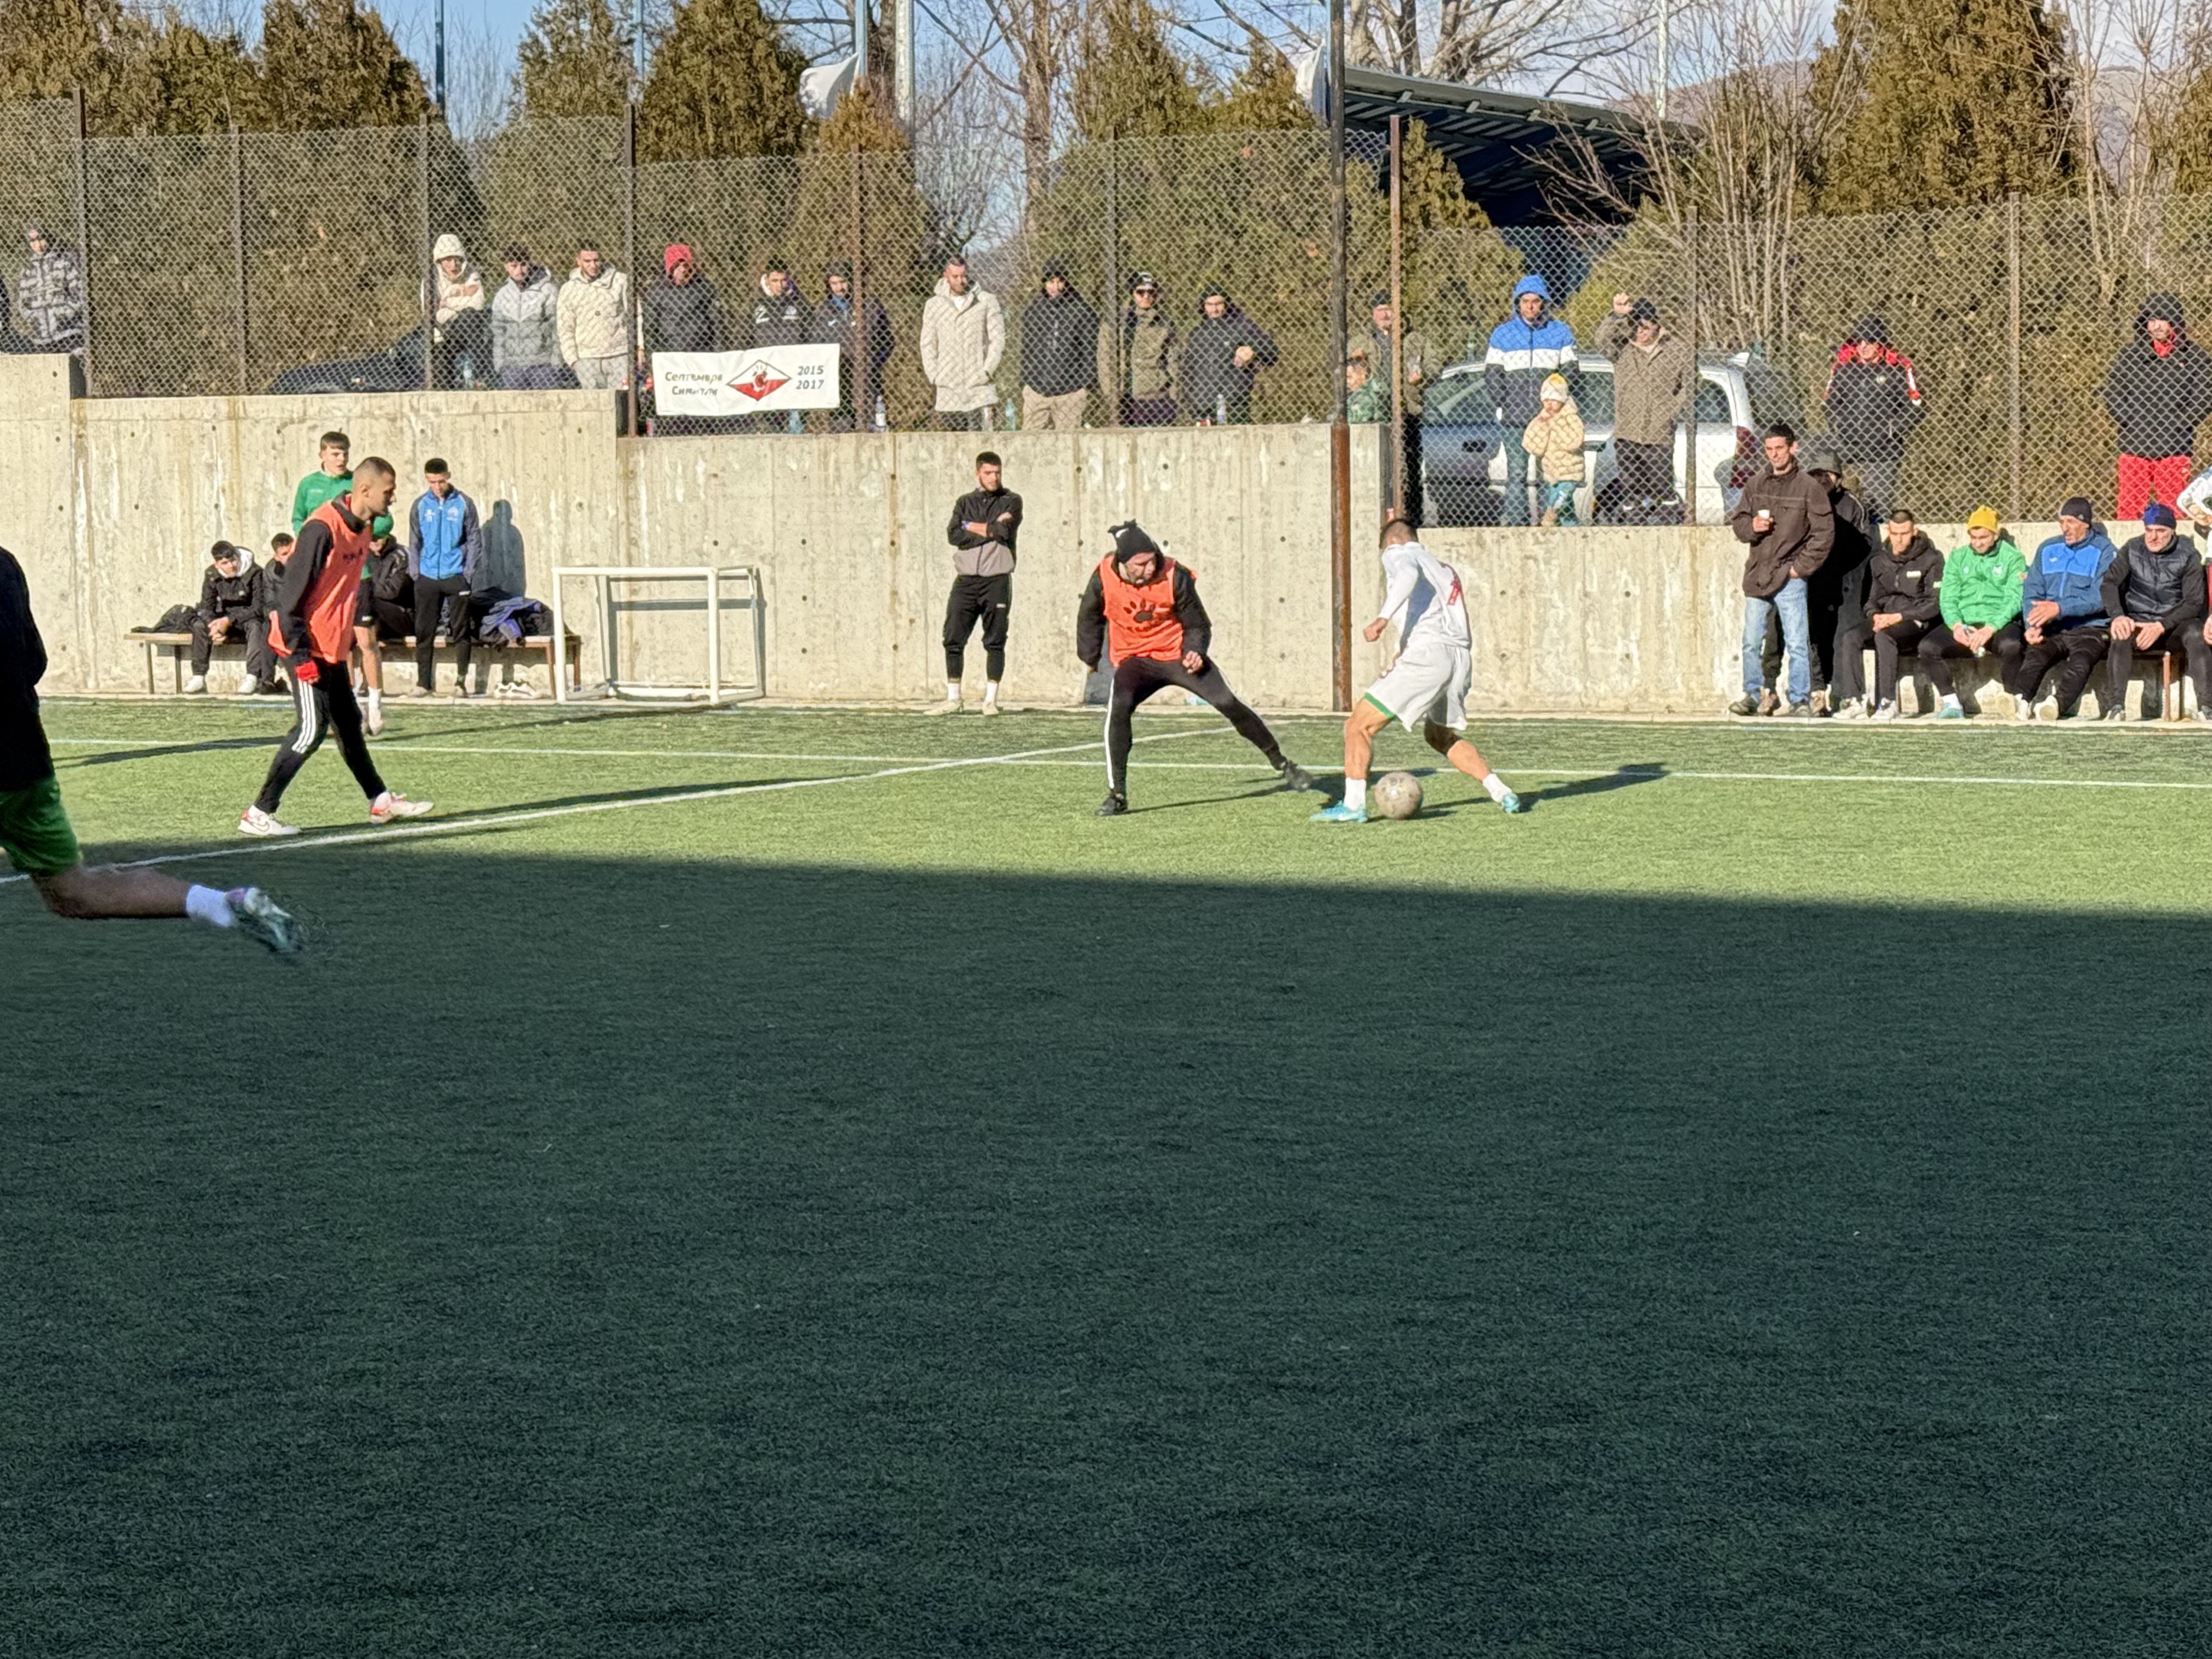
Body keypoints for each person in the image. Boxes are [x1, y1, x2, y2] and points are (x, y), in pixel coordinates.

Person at [3, 544, 300, 950]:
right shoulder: (5, 564)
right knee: (76, 891)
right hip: (24, 764)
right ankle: (222, 903)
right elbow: (33, 662)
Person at [241, 458, 433, 838]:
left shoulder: (364, 527)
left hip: (331, 647)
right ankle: (258, 813)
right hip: (302, 645)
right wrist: (300, 657)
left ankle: (380, 801)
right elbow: (289, 601)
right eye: (389, 491)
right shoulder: (320, 529)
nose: (393, 498)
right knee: (311, 731)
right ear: (365, 490)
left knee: (349, 724)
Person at [1076, 521, 1313, 816]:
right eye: (1141, 564)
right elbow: (1089, 616)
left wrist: (1195, 651)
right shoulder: (1103, 576)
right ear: (1124, 563)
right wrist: (1089, 656)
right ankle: (1117, 795)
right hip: (1134, 659)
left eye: (1152, 561)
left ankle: (1282, 763)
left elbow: (1198, 623)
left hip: (1177, 654)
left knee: (1227, 702)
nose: (1150, 568)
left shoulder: (1175, 575)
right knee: (1118, 709)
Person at [1310, 518, 1522, 823]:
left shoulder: (1398, 553)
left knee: (1357, 726)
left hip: (1429, 655)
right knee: (1439, 736)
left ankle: (1353, 805)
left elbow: (1407, 575)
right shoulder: (1443, 568)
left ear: (1391, 541)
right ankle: (1502, 792)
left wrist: (1382, 619)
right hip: (1459, 659)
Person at [290, 431, 393, 737]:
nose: (341, 459)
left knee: (366, 642)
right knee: (341, 647)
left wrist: (366, 530)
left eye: (345, 453)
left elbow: (385, 521)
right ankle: (350, 707)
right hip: (327, 580)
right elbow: (298, 520)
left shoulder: (358, 483)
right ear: (322, 454)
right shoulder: (309, 485)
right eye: (335, 453)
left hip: (358, 576)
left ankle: (375, 703)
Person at [1727, 424, 1832, 718]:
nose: (1774, 455)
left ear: (1793, 448)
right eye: (1769, 450)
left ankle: (1799, 699)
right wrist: (1752, 527)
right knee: (1751, 642)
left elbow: (1824, 533)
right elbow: (1739, 523)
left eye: (1779, 449)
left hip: (1789, 576)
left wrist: (1799, 568)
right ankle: (1752, 694)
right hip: (1758, 574)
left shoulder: (1809, 487)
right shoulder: (1755, 484)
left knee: (1797, 643)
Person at [2102, 292, 2212, 521]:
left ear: (2174, 323)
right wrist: (2131, 420)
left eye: (2163, 319)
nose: (2156, 326)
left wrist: (2180, 423)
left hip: (2174, 445)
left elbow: (2204, 397)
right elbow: (2113, 394)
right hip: (2135, 444)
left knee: (2173, 509)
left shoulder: (2194, 357)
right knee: (2129, 510)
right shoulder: (2130, 356)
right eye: (2151, 320)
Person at [1917, 505, 2029, 719]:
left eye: (1983, 537)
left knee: (2012, 646)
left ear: (1995, 535)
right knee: (1927, 647)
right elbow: (1948, 597)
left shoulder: (2013, 558)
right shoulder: (1958, 557)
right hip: (1965, 622)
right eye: (1973, 537)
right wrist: (1956, 625)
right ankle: (1951, 702)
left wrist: (1991, 628)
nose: (1977, 543)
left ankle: (2013, 699)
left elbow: (2014, 599)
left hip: (1997, 623)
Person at [1832, 507, 1944, 721]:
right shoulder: (1879, 561)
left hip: (1915, 621)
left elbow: (1934, 604)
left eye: (1904, 534)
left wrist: (1900, 616)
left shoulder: (1932, 559)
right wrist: (1875, 615)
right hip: (1884, 618)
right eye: (1895, 534)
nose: (1899, 539)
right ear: (1888, 532)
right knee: (1851, 637)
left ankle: (1887, 702)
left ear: (1914, 532)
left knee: (1885, 637)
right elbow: (1871, 600)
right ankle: (1855, 700)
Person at [933, 452, 1022, 716]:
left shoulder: (1011, 500)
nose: (994, 478)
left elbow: (1004, 531)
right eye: (988, 473)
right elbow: (953, 535)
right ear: (978, 473)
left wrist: (971, 526)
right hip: (966, 580)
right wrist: (988, 529)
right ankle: (954, 698)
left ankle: (990, 700)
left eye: (997, 473)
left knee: (995, 640)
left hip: (997, 580)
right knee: (953, 636)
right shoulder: (965, 501)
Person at [2014, 495, 2118, 721]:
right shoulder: (2047, 548)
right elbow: (2032, 591)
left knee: (2081, 662)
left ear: (2086, 523)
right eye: (2062, 522)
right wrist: (2032, 624)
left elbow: (2101, 597)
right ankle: (2020, 700)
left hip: (2090, 628)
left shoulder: (2105, 552)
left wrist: (2059, 608)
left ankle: (2055, 705)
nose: (2065, 528)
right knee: (2036, 655)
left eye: (2071, 522)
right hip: (2054, 626)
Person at [2101, 501, 2208, 720]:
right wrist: (2118, 616)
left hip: (2173, 626)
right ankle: (2116, 708)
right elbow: (2109, 584)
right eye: (2149, 530)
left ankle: (2207, 708)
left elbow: (2194, 602)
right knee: (2120, 635)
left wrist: (2162, 625)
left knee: (2196, 634)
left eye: (2160, 531)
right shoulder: (2132, 549)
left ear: (2172, 531)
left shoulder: (2188, 554)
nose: (2153, 537)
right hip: (2138, 622)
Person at [1484, 274, 1576, 526]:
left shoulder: (1560, 332)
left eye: (1536, 301)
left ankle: (1549, 524)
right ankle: (1517, 525)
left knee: (1550, 473)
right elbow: (1492, 375)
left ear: (1544, 303)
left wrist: (1555, 403)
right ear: (1518, 303)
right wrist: (1504, 403)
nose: (1531, 307)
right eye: (1525, 302)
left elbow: (1571, 372)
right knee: (1516, 473)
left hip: (1549, 418)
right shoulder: (1502, 334)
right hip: (1515, 419)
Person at [1594, 293, 1693, 521]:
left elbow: (1692, 383)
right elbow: (1601, 341)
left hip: (1658, 433)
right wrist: (1617, 316)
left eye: (1645, 326)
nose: (1639, 331)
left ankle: (1667, 524)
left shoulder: (1676, 350)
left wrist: (1671, 410)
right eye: (1634, 325)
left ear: (1656, 325)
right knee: (1632, 492)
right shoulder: (1622, 349)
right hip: (1627, 432)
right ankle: (1634, 524)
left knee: (1662, 489)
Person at [1820, 315, 1923, 524]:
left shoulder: (1897, 368)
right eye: (1858, 341)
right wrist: (1839, 426)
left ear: (1880, 343)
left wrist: (1891, 430)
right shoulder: (1843, 368)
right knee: (1817, 462)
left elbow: (1916, 407)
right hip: (1847, 441)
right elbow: (1828, 404)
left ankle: (1875, 535)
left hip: (1883, 447)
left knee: (1877, 508)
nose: (1863, 346)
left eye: (1869, 341)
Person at [1795, 442, 1873, 713]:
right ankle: (1817, 691)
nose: (1825, 480)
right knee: (1815, 635)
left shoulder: (1852, 505)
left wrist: (1841, 566)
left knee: (1842, 635)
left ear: (1839, 477)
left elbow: (1864, 545)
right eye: (1819, 474)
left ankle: (1843, 693)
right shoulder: (1806, 501)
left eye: (1830, 474)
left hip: (1846, 581)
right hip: (1814, 578)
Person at [407, 458, 481, 699]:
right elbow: (414, 541)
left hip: (455, 575)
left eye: (441, 481)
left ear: (448, 476)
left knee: (461, 631)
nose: (437, 487)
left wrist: (467, 574)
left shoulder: (464, 503)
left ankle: (461, 683)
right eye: (432, 482)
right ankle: (423, 683)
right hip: (427, 577)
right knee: (424, 632)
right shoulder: (420, 505)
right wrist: (416, 573)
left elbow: (474, 539)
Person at [1360, 293, 1432, 524]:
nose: (1385, 314)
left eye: (1389, 309)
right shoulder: (1362, 341)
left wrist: (1422, 376)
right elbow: (1347, 368)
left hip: (1407, 410)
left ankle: (1413, 519)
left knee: (1411, 465)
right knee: (1378, 464)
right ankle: (1380, 516)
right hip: (1375, 413)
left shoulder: (1414, 339)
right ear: (1373, 314)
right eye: (1380, 310)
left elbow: (1435, 363)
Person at [918, 256, 1005, 431]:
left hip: (979, 388)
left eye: (964, 276)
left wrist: (988, 370)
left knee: (983, 442)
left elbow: (998, 339)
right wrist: (934, 375)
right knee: (953, 444)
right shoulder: (934, 305)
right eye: (955, 277)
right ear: (945, 276)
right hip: (948, 390)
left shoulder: (986, 301)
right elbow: (928, 344)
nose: (961, 281)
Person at [812, 259, 894, 432]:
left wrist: (873, 362)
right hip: (839, 379)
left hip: (866, 377)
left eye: (843, 282)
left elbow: (887, 340)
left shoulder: (870, 305)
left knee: (872, 426)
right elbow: (817, 346)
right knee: (841, 428)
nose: (839, 288)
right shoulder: (822, 312)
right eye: (834, 283)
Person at [1179, 283, 1277, 426]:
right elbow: (1188, 370)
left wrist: (1253, 351)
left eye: (1219, 304)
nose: (1215, 309)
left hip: (1234, 401)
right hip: (1204, 404)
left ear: (1226, 305)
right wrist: (1191, 400)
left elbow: (1271, 351)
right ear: (1203, 306)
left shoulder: (1240, 326)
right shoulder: (1197, 333)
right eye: (1210, 304)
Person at [1018, 257, 1098, 431]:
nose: (1055, 287)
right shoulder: (1034, 310)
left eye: (1059, 282)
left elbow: (1089, 350)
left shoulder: (1081, 310)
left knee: (1069, 442)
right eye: (1051, 282)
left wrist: (1084, 385)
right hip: (1038, 389)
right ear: (1044, 283)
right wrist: (1026, 382)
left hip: (1070, 392)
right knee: (1030, 439)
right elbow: (1027, 349)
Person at [185, 541, 271, 697]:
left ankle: (252, 677)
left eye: (233, 560)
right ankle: (198, 676)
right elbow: (206, 605)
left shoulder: (254, 572)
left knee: (257, 627)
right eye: (225, 563)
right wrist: (214, 626)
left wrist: (230, 620)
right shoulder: (211, 574)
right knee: (199, 625)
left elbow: (258, 608)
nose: (231, 566)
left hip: (246, 617)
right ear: (217, 564)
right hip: (221, 618)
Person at [490, 247, 572, 390]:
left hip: (543, 366)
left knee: (547, 403)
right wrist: (500, 363)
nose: (519, 270)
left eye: (523, 264)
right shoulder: (502, 295)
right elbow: (498, 333)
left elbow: (557, 328)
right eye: (514, 266)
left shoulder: (547, 290)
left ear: (529, 263)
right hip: (512, 367)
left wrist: (556, 362)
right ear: (506, 267)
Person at [1102, 271, 1177, 427]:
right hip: (1127, 397)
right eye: (1141, 292)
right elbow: (1104, 358)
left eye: (1151, 292)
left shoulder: (1164, 323)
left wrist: (1174, 393)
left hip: (1158, 396)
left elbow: (1173, 360)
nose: (1146, 296)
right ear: (1133, 293)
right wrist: (1110, 392)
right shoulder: (1117, 322)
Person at [557, 243, 632, 391]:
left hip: (619, 356)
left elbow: (635, 317)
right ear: (578, 260)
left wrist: (639, 348)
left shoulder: (620, 281)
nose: (593, 265)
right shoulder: (569, 289)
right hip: (587, 358)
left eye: (596, 260)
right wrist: (573, 360)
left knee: (622, 399)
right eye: (587, 261)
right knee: (593, 402)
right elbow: (565, 327)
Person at [1520, 373, 1585, 527]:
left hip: (1570, 472)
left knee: (1560, 498)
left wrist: (1555, 424)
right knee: (1566, 510)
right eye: (1546, 400)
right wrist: (1542, 425)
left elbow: (1574, 442)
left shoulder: (1571, 418)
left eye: (1554, 400)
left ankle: (1549, 518)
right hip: (1552, 472)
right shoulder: (1541, 420)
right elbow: (1534, 447)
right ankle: (1571, 529)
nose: (1549, 404)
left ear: (1562, 400)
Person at [422, 232, 487, 382]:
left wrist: (448, 302)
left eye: (457, 259)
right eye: (448, 260)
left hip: (469, 327)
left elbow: (478, 304)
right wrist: (463, 293)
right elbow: (432, 312)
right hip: (443, 328)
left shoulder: (472, 274)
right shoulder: (431, 278)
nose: (454, 265)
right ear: (439, 261)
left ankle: (480, 377)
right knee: (439, 357)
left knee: (470, 316)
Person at [16, 222, 83, 353]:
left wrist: (63, 313)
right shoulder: (28, 269)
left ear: (48, 238)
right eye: (33, 241)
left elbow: (78, 293)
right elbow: (23, 301)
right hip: (40, 335)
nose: (38, 245)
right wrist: (34, 317)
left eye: (41, 239)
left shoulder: (63, 261)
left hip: (67, 332)